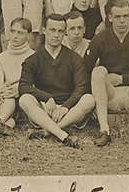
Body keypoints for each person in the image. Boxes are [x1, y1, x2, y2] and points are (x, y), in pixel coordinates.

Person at [18, 14, 95, 148]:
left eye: (60, 31)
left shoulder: (74, 58)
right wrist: (47, 98)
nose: (56, 35)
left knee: (89, 99)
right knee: (24, 99)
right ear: (44, 30)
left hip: (68, 111)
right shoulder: (33, 59)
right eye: (52, 30)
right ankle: (62, 135)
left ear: (64, 32)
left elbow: (82, 87)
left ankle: (49, 131)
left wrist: (66, 106)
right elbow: (23, 86)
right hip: (45, 109)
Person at [85, 0, 129, 147]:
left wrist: (122, 79)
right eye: (117, 17)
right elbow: (87, 68)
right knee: (98, 71)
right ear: (110, 18)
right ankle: (104, 130)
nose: (122, 21)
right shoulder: (100, 39)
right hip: (110, 95)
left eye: (125, 16)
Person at [0, 17, 35, 134]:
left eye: (20, 33)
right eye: (13, 31)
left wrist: (19, 89)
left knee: (22, 100)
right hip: (7, 98)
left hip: (26, 96)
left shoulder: (34, 57)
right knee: (9, 99)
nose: (15, 36)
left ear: (28, 35)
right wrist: (0, 92)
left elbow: (36, 82)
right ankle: (2, 121)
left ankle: (4, 122)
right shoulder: (0, 58)